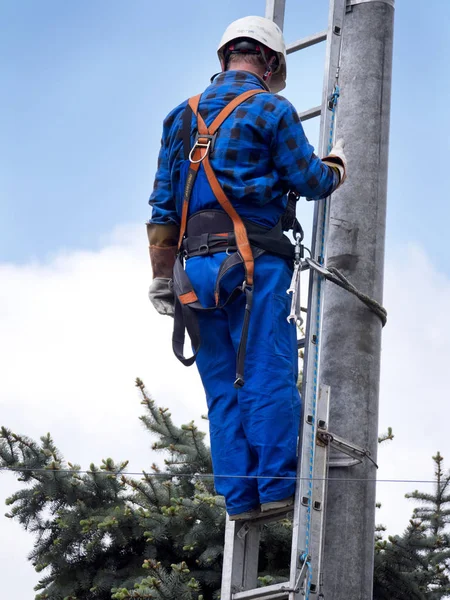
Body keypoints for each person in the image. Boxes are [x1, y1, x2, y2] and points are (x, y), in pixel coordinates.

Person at [147, 15, 346, 520]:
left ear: (224, 58)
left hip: (194, 272)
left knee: (220, 386)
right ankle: (278, 488)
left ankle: (240, 500)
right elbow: (310, 180)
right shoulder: (271, 109)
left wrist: (159, 273)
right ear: (272, 61)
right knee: (264, 371)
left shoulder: (181, 117)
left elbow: (163, 207)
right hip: (254, 262)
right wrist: (338, 163)